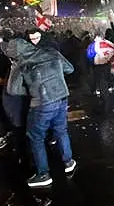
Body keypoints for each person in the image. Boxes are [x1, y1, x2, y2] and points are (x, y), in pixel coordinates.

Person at [4, 38, 75, 188]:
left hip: (41, 104)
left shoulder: (20, 63)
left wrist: (31, 89)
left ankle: (43, 174)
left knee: (36, 137)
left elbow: (12, 90)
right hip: (62, 97)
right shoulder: (51, 52)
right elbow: (70, 69)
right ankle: (68, 162)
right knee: (61, 130)